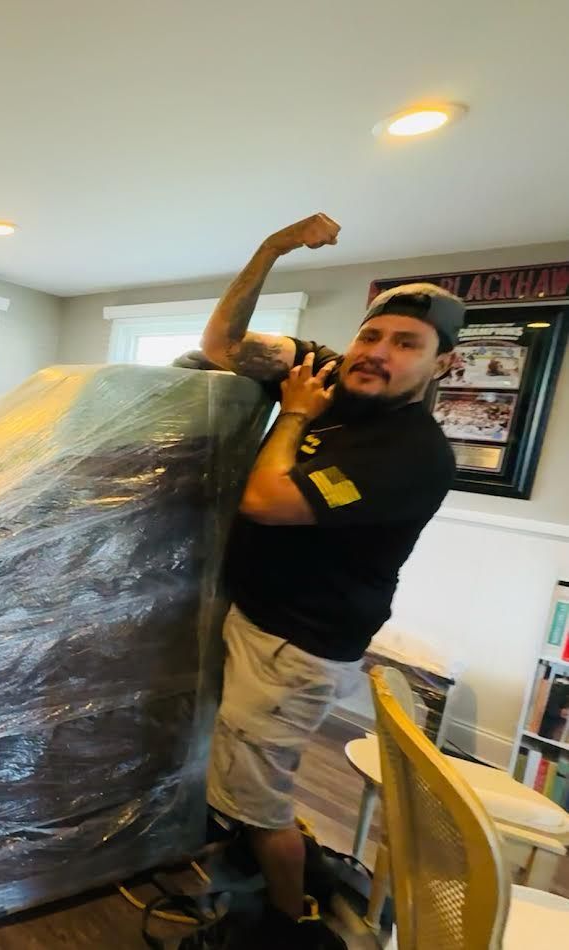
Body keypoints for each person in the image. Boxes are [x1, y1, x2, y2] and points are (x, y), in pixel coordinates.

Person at [198, 213, 460, 949]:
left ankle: (291, 926)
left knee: (256, 802)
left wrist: (292, 418)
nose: (376, 353)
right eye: (371, 335)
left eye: (405, 344)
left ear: (442, 366)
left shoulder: (411, 455)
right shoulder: (332, 377)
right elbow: (219, 346)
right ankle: (285, 878)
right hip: (256, 617)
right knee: (241, 770)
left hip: (295, 647)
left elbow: (265, 502)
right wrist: (270, 249)